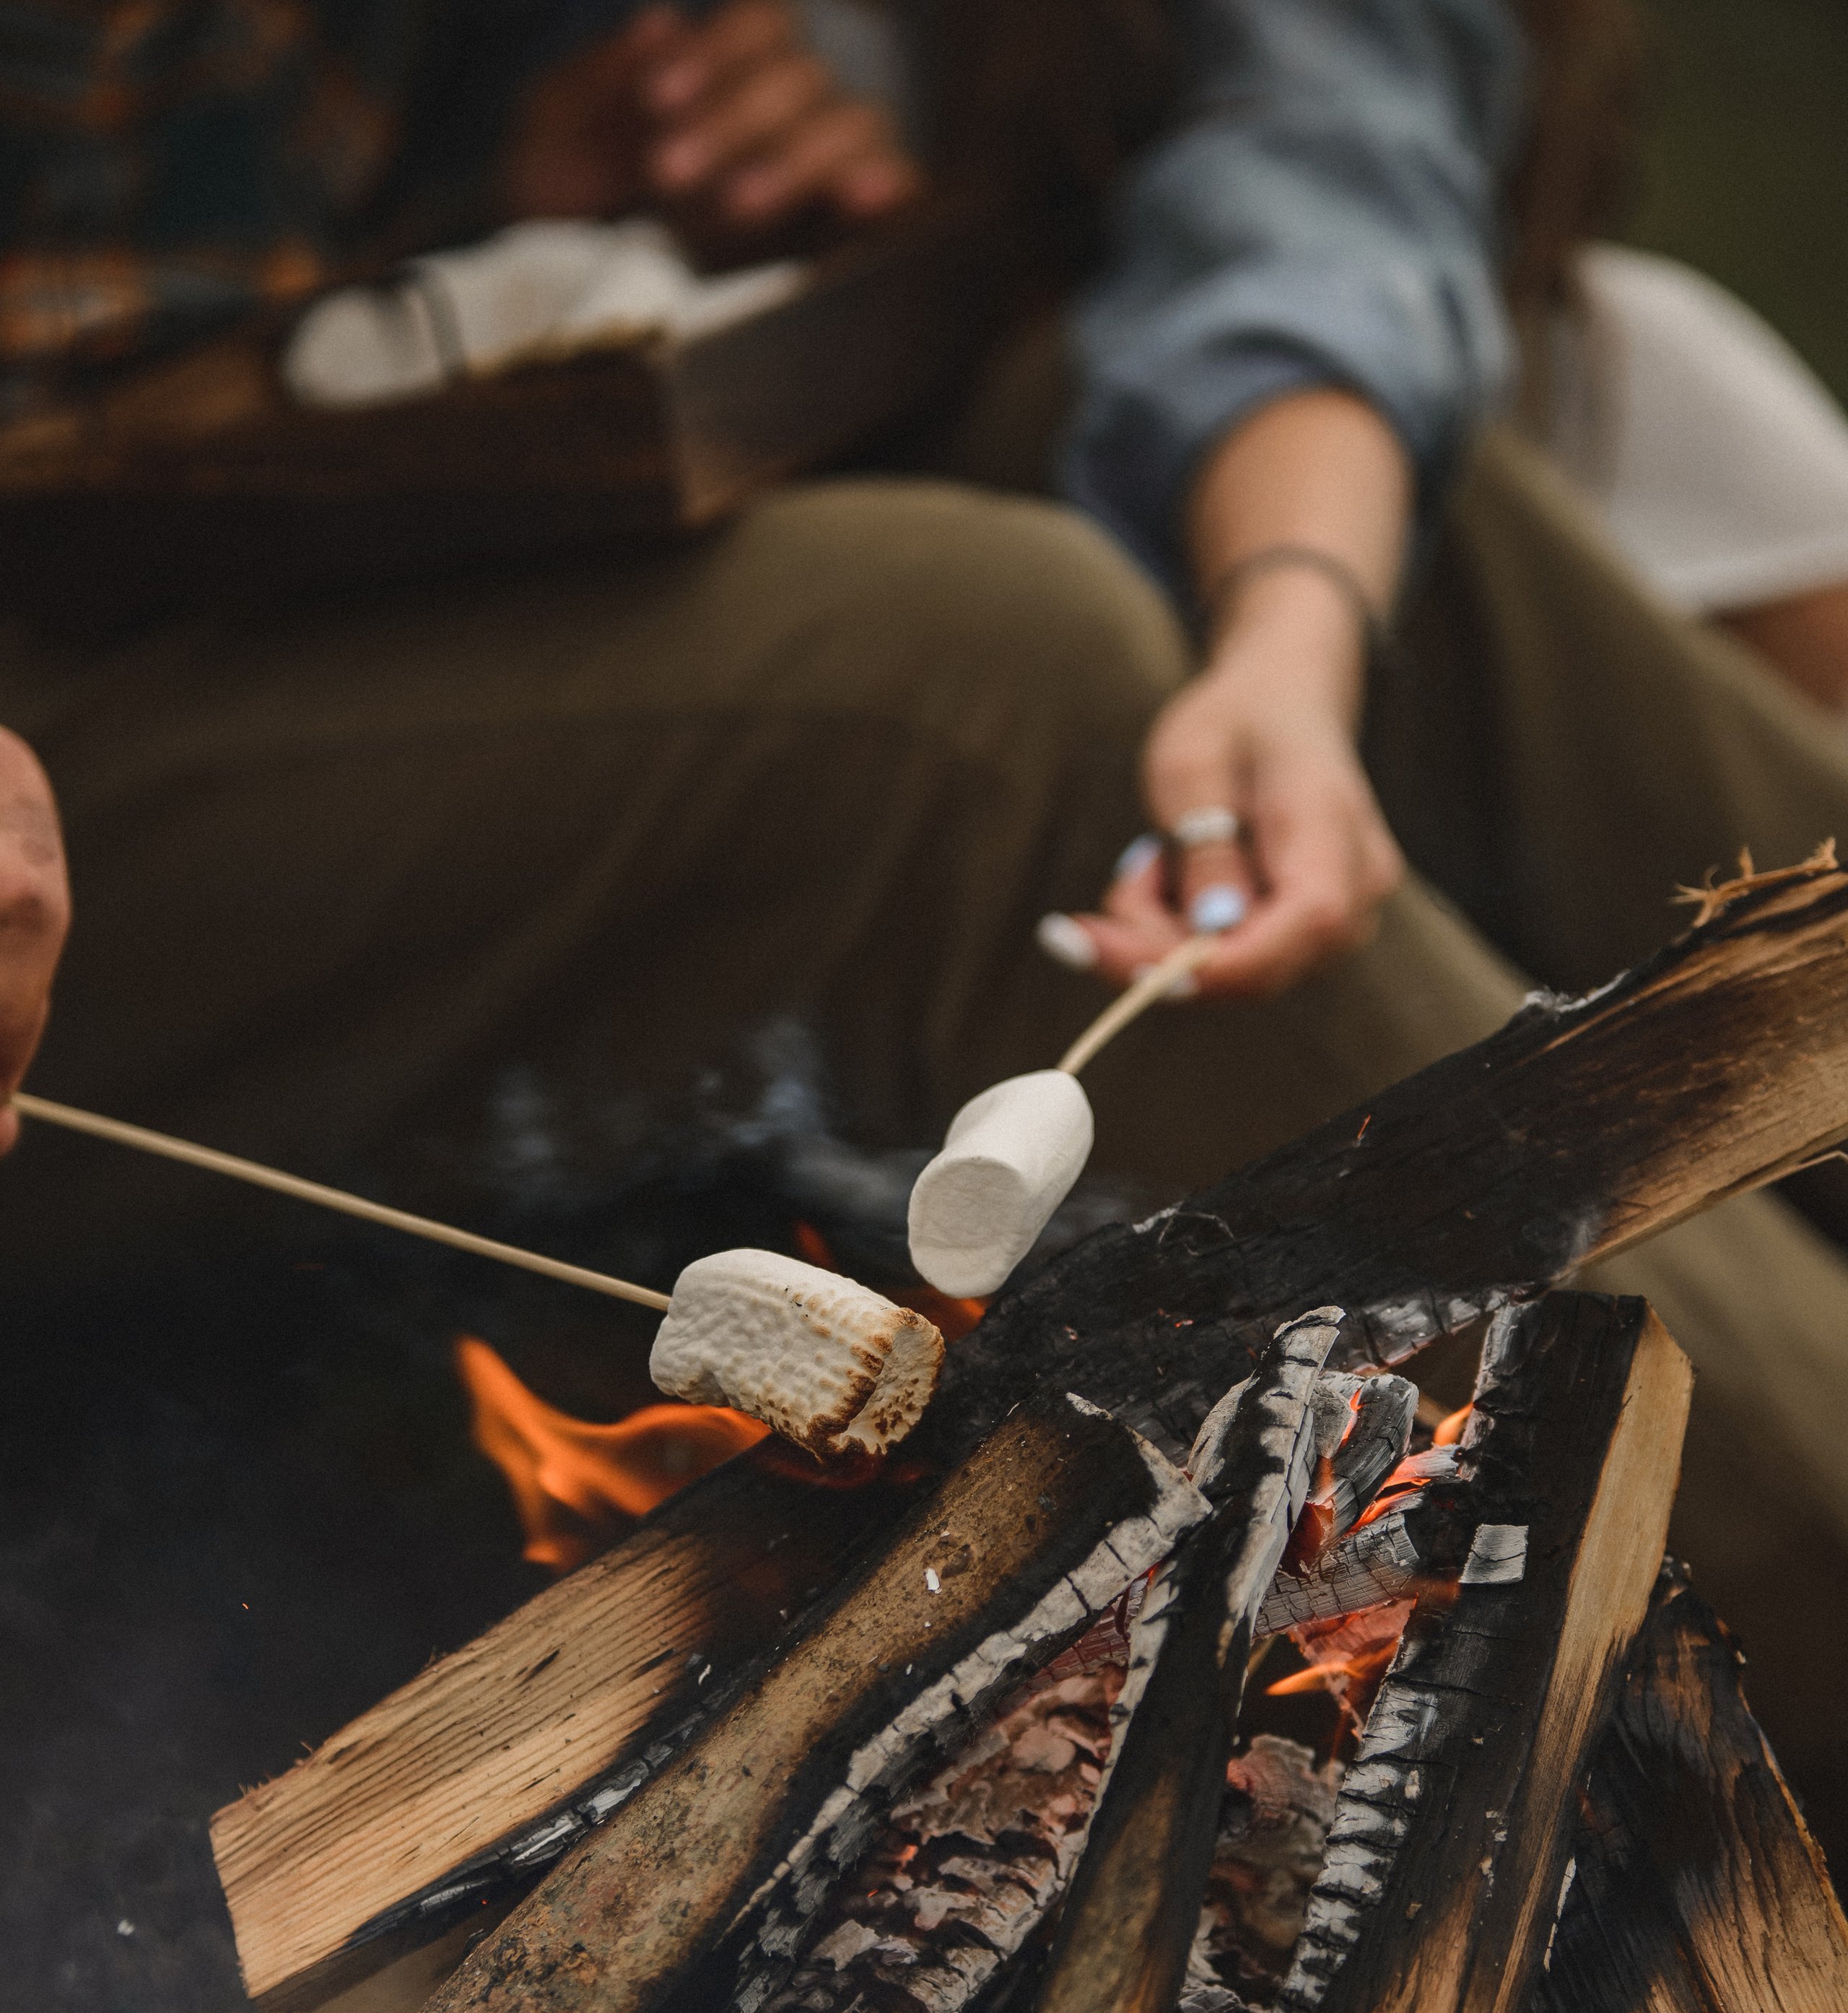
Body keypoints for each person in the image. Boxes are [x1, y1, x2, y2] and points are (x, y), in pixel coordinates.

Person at [1, 0, 1847, 1834]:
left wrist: (1289, 629)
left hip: (231, 488)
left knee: (1288, 490)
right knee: (981, 697)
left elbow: (1310, 106)